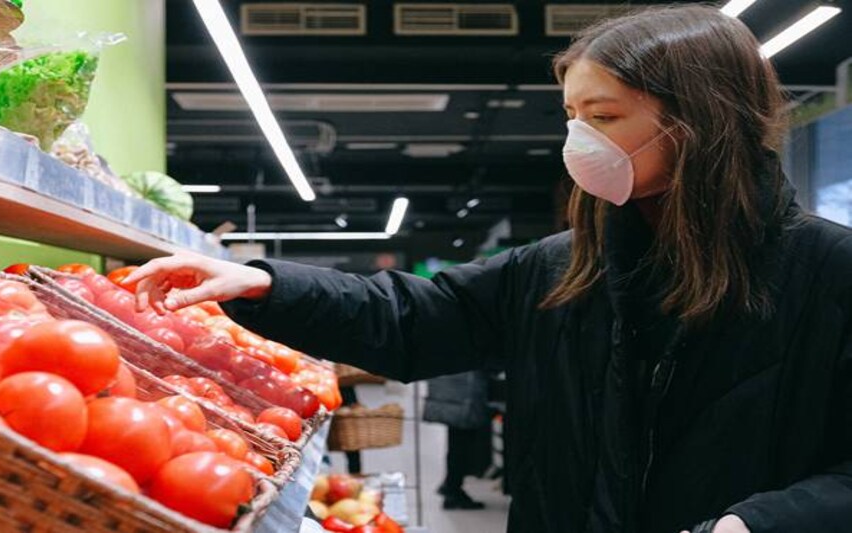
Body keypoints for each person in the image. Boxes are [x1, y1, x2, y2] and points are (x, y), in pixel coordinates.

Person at [123, 6, 852, 533]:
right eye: (570, 115)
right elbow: (414, 317)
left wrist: (756, 522)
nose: (577, 139)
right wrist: (267, 284)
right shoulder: (563, 265)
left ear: (699, 123)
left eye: (603, 116)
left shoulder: (830, 272)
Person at [423, 370, 493, 510]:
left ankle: (451, 485)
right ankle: (452, 488)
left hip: (452, 389)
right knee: (462, 442)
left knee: (457, 440)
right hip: (464, 391)